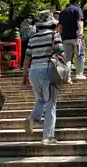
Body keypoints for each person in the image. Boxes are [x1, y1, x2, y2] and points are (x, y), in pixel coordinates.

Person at [23, 10, 64, 145]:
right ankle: (47, 136)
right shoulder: (54, 35)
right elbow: (60, 53)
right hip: (48, 70)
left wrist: (24, 75)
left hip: (33, 71)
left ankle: (33, 117)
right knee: (51, 104)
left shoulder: (33, 38)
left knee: (41, 99)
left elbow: (27, 58)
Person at [58, 0, 86, 82]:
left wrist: (60, 36)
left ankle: (68, 77)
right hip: (76, 37)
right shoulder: (78, 10)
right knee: (80, 55)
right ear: (77, 2)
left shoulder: (62, 11)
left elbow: (60, 26)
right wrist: (81, 33)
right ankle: (79, 74)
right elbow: (80, 22)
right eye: (79, 3)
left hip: (65, 38)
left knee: (67, 59)